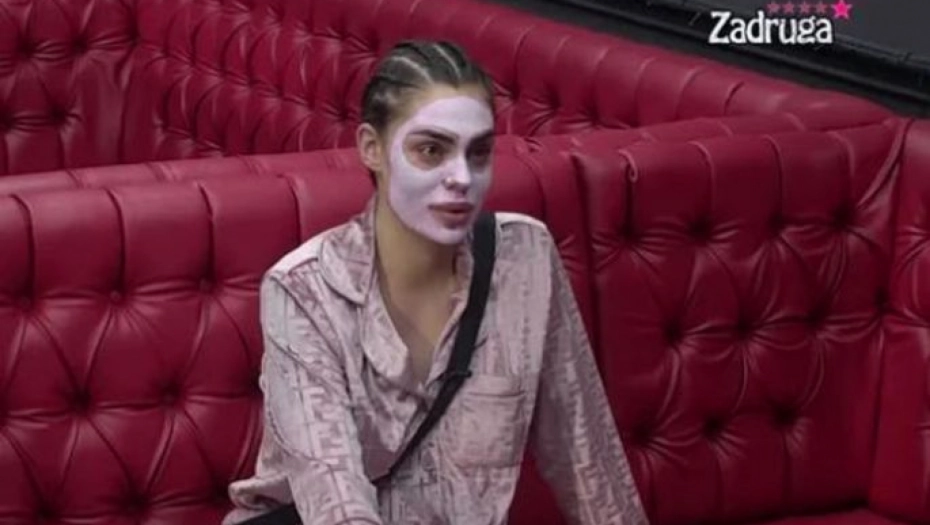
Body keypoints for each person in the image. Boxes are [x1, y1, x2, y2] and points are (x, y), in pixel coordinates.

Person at [223, 40, 648, 525]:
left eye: (479, 153)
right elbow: (335, 501)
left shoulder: (524, 257)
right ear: (372, 148)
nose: (462, 177)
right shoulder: (304, 290)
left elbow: (586, 459)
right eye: (431, 150)